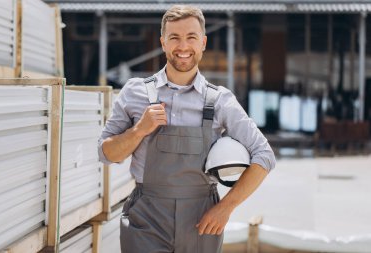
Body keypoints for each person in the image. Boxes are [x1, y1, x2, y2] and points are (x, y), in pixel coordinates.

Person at [98, 5, 276, 253]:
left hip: (202, 220)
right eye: (174, 38)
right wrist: (139, 130)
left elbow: (264, 156)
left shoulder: (221, 101)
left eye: (191, 37)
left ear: (203, 42)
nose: (183, 47)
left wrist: (225, 208)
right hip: (145, 219)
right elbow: (106, 154)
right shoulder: (134, 91)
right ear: (163, 42)